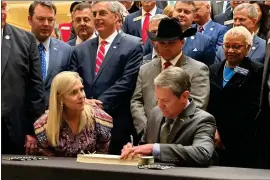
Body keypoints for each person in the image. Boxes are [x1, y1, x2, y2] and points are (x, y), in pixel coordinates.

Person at [69, 1, 143, 155]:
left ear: (116, 17)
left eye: (102, 13)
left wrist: (98, 104)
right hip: (83, 122)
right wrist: (85, 101)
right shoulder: (80, 50)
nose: (97, 18)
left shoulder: (133, 45)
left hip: (116, 122)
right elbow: (73, 80)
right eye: (94, 14)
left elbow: (127, 81)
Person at [122, 67, 216, 167]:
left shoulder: (203, 120)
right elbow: (145, 146)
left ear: (184, 96)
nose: (160, 105)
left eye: (165, 101)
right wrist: (134, 150)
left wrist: (155, 148)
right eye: (158, 99)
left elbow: (202, 154)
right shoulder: (155, 113)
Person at [131, 18, 210, 136]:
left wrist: (168, 129)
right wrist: (147, 128)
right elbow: (136, 101)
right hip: (147, 133)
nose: (166, 47)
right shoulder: (145, 69)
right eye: (162, 43)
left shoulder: (198, 69)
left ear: (182, 42)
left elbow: (196, 105)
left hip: (181, 135)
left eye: (171, 43)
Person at [207, 26, 264, 168]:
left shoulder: (256, 71)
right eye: (227, 46)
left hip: (242, 140)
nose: (230, 51)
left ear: (248, 48)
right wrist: (214, 130)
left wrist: (225, 134)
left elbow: (252, 107)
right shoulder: (213, 69)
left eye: (237, 47)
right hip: (213, 136)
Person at [33, 72, 113, 157]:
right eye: (74, 92)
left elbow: (101, 158)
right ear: (60, 98)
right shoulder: (44, 125)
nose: (81, 96)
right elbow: (47, 164)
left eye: (81, 89)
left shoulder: (99, 119)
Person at [1, 0, 45, 155]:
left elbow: (36, 89)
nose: (1, 13)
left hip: (14, 131)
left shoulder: (26, 40)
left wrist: (33, 131)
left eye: (2, 8)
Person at [28, 1, 73, 107]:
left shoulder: (66, 50)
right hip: (22, 117)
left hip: (54, 116)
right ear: (30, 20)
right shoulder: (18, 47)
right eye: (41, 19)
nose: (46, 24)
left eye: (50, 19)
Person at [172, 1, 216, 66]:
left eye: (186, 12)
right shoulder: (161, 36)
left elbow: (208, 70)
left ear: (193, 16)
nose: (181, 14)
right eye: (179, 10)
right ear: (173, 12)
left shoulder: (205, 41)